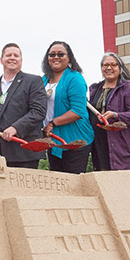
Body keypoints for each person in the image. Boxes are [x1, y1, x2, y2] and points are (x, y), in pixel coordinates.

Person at [0, 43, 46, 168]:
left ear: (21, 60)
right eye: (8, 55)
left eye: (16, 55)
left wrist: (15, 128)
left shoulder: (33, 81)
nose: (12, 58)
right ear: (1, 60)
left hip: (23, 152)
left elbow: (38, 111)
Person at [41, 41, 94, 174]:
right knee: (58, 183)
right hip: (53, 139)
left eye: (61, 54)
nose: (56, 57)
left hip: (75, 139)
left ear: (69, 57)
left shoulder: (75, 78)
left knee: (73, 184)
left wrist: (52, 123)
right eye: (51, 54)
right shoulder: (44, 80)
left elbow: (78, 111)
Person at [88, 52, 130, 170]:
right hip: (100, 142)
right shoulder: (94, 88)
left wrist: (115, 115)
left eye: (113, 65)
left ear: (120, 68)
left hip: (122, 144)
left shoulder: (129, 87)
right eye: (105, 65)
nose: (109, 68)